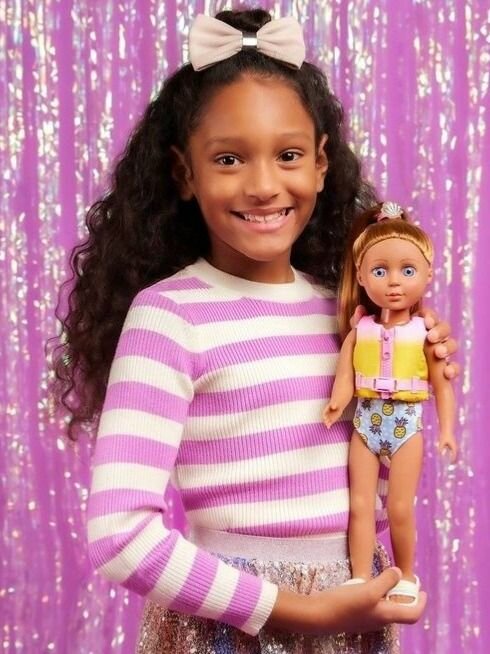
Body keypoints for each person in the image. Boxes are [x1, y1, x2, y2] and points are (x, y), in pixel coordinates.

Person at [48, 8, 459, 653]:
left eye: (288, 155)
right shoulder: (170, 316)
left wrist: (410, 361)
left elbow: (372, 479)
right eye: (230, 158)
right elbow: (120, 536)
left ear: (321, 163)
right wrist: (294, 612)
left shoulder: (342, 314)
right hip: (229, 629)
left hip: (351, 621)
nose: (264, 185)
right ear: (185, 173)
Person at [323, 201, 457, 610]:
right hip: (365, 424)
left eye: (408, 271)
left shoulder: (424, 335)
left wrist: (447, 430)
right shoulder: (359, 330)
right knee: (360, 506)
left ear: (428, 275)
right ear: (362, 275)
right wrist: (336, 403)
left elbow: (442, 388)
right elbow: (345, 375)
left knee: (399, 507)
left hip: (405, 425)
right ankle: (360, 575)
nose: (394, 282)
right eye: (380, 271)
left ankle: (407, 575)